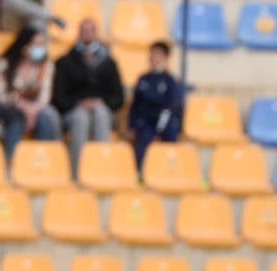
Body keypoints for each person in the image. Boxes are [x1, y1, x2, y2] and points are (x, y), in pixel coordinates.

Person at [53, 19, 125, 177]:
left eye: (90, 30)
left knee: (101, 113)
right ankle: (76, 172)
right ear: (78, 34)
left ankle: (100, 169)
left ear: (96, 33)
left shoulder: (109, 63)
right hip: (73, 110)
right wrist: (79, 103)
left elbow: (118, 98)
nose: (87, 34)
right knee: (81, 117)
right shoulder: (65, 62)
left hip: (101, 109)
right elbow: (58, 98)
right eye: (83, 30)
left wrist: (100, 101)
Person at [0, 27, 61, 161]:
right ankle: (11, 162)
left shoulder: (46, 65)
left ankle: (43, 162)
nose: (40, 48)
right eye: (36, 44)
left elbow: (45, 96)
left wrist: (32, 110)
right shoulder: (6, 63)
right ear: (24, 45)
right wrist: (21, 105)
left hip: (36, 109)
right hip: (11, 107)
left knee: (45, 119)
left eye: (42, 44)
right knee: (16, 119)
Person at [128, 41, 184, 170]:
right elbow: (135, 105)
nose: (153, 57)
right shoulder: (143, 79)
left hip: (163, 122)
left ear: (166, 57)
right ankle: (139, 172)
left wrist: (159, 129)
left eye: (157, 54)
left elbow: (170, 107)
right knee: (143, 136)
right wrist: (131, 125)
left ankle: (172, 172)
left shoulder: (170, 81)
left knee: (171, 134)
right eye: (152, 54)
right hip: (145, 122)